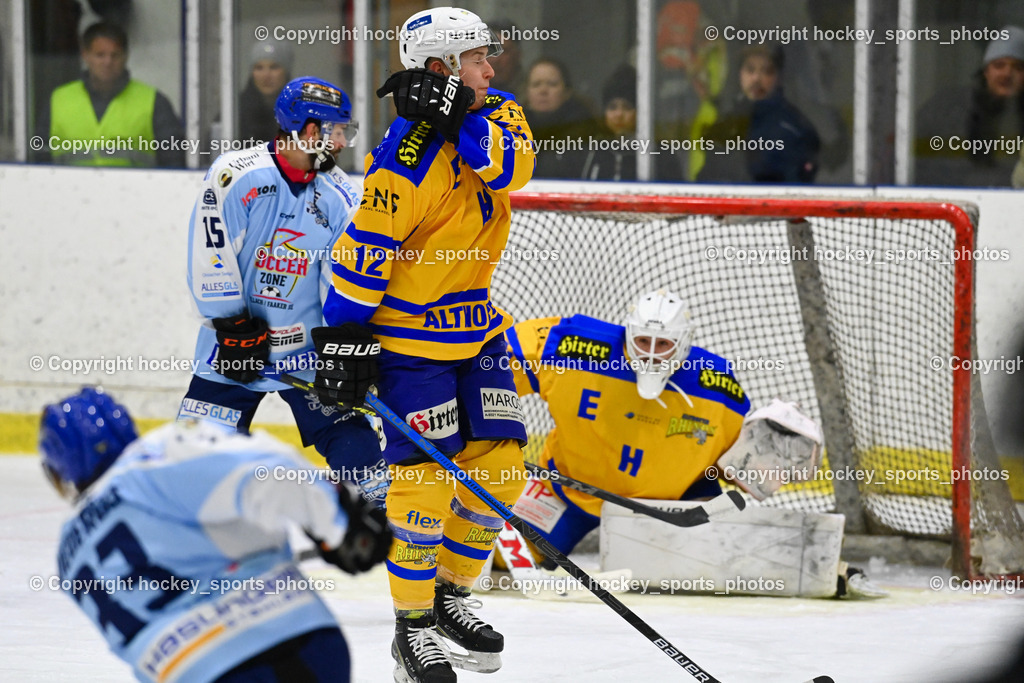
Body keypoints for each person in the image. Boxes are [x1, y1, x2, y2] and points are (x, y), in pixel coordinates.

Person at [310, 7, 535, 682]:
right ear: (439, 69)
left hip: (479, 326)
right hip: (412, 343)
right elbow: (361, 250)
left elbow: (511, 166)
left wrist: (457, 114)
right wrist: (344, 339)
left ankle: (448, 595)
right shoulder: (406, 157)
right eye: (475, 59)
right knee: (426, 484)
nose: (491, 69)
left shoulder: (499, 112)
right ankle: (412, 629)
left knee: (501, 468)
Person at [504, 290, 883, 598]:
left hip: (668, 508)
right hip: (565, 488)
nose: (651, 352)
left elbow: (735, 465)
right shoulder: (571, 345)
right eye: (642, 340)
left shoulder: (717, 388)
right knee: (497, 559)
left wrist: (772, 460)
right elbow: (496, 364)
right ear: (626, 332)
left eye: (664, 344)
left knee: (722, 568)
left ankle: (829, 566)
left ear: (684, 344)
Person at [40, 387, 391, 682]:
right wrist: (340, 524)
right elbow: (265, 471)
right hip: (290, 643)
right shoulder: (152, 461)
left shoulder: (69, 554)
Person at [180, 75, 386, 504]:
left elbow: (341, 276)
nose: (343, 142)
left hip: (305, 350)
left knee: (355, 449)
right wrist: (233, 323)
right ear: (310, 131)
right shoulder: (234, 175)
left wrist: (346, 339)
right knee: (191, 467)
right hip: (235, 343)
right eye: (336, 130)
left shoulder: (341, 196)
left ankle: (385, 511)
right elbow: (211, 251)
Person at [38, 21, 184, 167]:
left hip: (135, 189)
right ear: (85, 55)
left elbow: (174, 162)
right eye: (100, 55)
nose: (108, 62)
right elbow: (39, 158)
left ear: (126, 56)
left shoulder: (154, 103)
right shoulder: (59, 100)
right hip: (65, 189)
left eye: (115, 55)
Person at [916, 26, 1024, 187]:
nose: (1007, 74)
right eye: (999, 65)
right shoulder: (947, 108)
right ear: (986, 71)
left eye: (1017, 67)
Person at [697, 45, 820, 183]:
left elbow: (796, 190)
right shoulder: (726, 123)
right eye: (750, 70)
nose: (756, 79)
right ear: (740, 75)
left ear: (778, 78)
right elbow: (707, 179)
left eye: (767, 71)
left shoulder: (793, 128)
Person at [581, 64, 683, 181]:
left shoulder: (660, 154)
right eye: (612, 107)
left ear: (641, 113)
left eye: (627, 107)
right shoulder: (593, 151)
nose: (618, 114)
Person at [523, 57, 595, 178]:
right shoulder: (512, 130)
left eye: (552, 84)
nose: (543, 90)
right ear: (527, 92)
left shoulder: (583, 134)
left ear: (567, 92)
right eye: (536, 84)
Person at [238, 40, 293, 143]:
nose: (266, 75)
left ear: (286, 72)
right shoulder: (236, 111)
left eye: (274, 67)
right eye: (259, 68)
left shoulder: (299, 109)